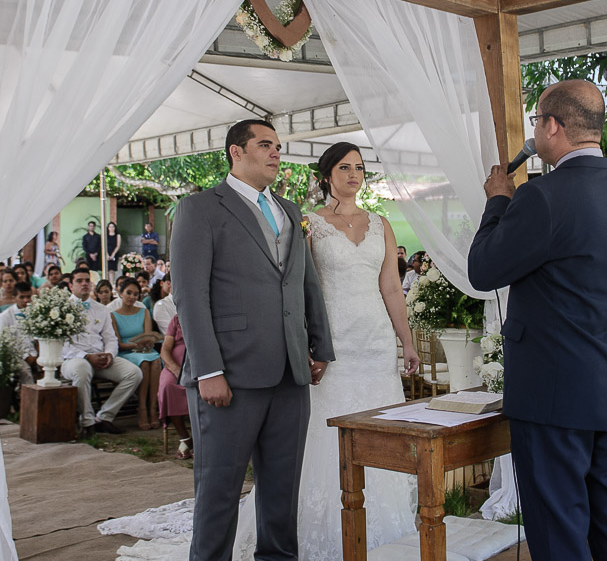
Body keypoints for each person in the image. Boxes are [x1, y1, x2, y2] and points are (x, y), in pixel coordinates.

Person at [469, 79, 607, 561]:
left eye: (536, 122)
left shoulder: (543, 197)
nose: (534, 131)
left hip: (552, 391)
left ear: (552, 126)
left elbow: (483, 270)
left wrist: (498, 201)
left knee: (558, 526)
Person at [231, 141, 420, 560]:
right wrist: (311, 345)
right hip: (332, 344)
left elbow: (390, 286)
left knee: (381, 431)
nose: (354, 175)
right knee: (324, 433)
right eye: (345, 167)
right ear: (327, 174)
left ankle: (385, 531)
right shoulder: (307, 223)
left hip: (374, 344)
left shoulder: (382, 223)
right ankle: (317, 532)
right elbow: (300, 288)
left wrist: (405, 341)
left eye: (359, 168)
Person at [172, 118, 335, 561]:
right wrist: (208, 369)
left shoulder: (290, 211)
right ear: (235, 152)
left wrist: (318, 346)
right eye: (265, 145)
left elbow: (306, 284)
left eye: (278, 146)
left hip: (290, 374)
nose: (276, 153)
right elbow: (190, 293)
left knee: (282, 494)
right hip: (229, 375)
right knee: (218, 493)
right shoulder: (200, 209)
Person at [59, 269, 142, 436]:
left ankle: (104, 417)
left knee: (134, 373)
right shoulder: (61, 309)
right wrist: (86, 356)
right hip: (73, 359)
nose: (84, 284)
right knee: (82, 369)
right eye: (79, 281)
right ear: (70, 286)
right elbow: (61, 344)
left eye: (87, 281)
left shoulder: (101, 309)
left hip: (100, 357)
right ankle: (87, 421)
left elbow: (110, 338)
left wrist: (109, 354)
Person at [111, 278, 162, 430]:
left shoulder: (144, 312)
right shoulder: (113, 315)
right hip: (127, 351)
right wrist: (133, 345)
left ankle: (153, 408)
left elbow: (147, 336)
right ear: (120, 293)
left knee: (156, 360)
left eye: (136, 294)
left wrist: (148, 341)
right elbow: (118, 343)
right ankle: (142, 409)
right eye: (128, 293)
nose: (132, 297)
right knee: (145, 363)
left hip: (144, 350)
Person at [158, 314, 191, 458]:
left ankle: (202, 438)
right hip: (175, 365)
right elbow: (165, 349)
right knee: (168, 386)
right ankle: (185, 438)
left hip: (199, 364)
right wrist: (176, 369)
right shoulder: (177, 319)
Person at [0, 281, 38, 385]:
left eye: (28, 297)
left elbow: (39, 337)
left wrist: (38, 355)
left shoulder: (36, 313)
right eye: (22, 297)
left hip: (36, 353)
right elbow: (7, 343)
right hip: (16, 355)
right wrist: (26, 356)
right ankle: (29, 399)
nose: (26, 300)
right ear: (14, 297)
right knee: (25, 371)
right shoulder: (4, 316)